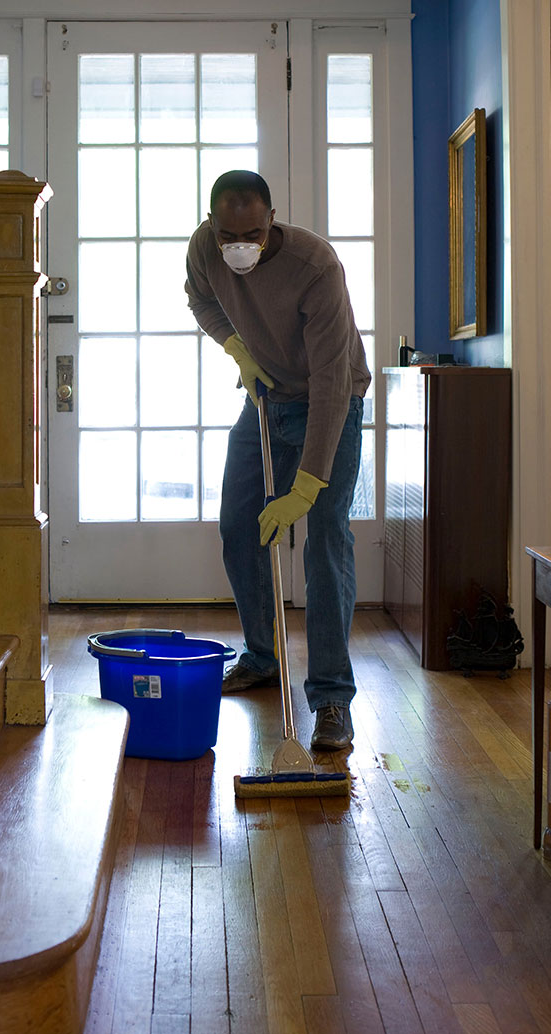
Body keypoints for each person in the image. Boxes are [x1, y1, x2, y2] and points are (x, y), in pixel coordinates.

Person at [185, 170, 371, 750]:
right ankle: (263, 658)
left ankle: (333, 698)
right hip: (264, 400)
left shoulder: (316, 267)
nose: (240, 244)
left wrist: (306, 486)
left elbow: (332, 381)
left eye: (253, 232)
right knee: (239, 525)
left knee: (325, 539)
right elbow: (200, 299)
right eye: (228, 233)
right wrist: (237, 349)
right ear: (213, 224)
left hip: (330, 401)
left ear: (271, 222)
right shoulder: (203, 247)